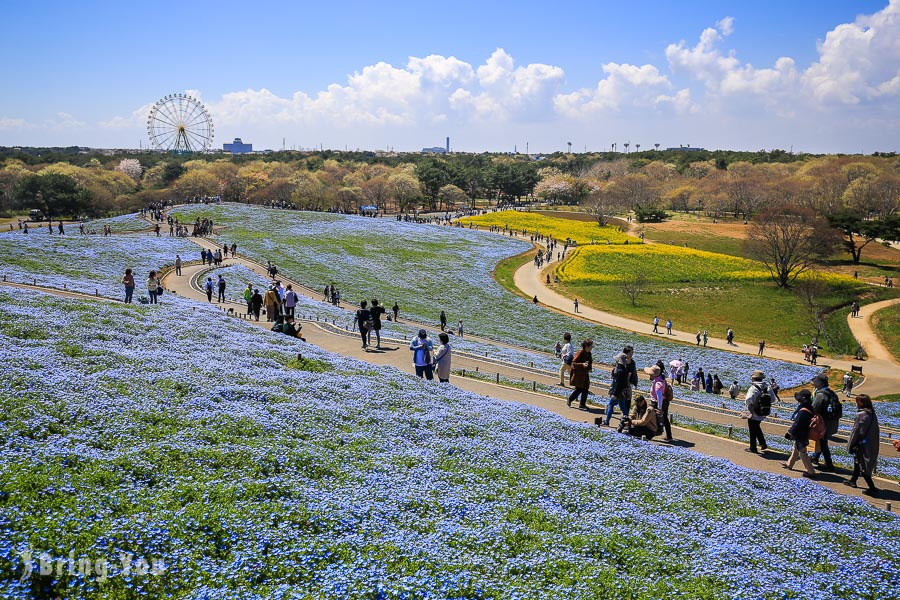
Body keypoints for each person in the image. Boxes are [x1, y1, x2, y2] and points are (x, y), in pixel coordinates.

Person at [845, 394, 880, 497]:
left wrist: (850, 445)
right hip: (871, 442)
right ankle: (853, 480)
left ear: (860, 403)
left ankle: (872, 488)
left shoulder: (861, 415)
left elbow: (856, 431)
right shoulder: (872, 413)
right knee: (857, 461)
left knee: (864, 466)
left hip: (862, 444)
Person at [781, 389, 817, 478]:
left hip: (801, 433)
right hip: (804, 431)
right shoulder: (810, 406)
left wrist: (790, 432)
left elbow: (797, 423)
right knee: (796, 448)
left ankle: (811, 471)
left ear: (804, 399)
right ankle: (789, 464)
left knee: (802, 452)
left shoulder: (803, 410)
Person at [810, 373, 839, 472]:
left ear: (820, 383)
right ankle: (815, 457)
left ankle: (829, 464)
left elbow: (814, 408)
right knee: (823, 441)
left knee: (823, 443)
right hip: (832, 422)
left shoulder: (821, 394)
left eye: (816, 382)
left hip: (822, 423)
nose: (814, 384)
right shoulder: (832, 393)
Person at [744, 370, 769, 454]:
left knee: (752, 429)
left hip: (754, 412)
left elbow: (748, 400)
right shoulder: (767, 387)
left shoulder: (753, 388)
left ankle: (753, 447)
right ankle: (762, 443)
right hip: (763, 411)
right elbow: (772, 399)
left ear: (754, 378)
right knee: (756, 427)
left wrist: (751, 405)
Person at [606, 352, 631, 426]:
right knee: (623, 407)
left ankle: (607, 421)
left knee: (611, 405)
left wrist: (615, 394)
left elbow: (618, 384)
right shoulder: (624, 369)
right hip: (622, 392)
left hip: (618, 392)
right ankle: (627, 422)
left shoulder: (620, 370)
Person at [566, 339, 593, 410]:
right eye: (591, 346)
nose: (592, 347)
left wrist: (589, 367)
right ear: (586, 346)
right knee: (579, 389)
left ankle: (582, 404)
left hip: (585, 373)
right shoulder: (580, 352)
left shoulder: (589, 353)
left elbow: (590, 362)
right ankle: (570, 399)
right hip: (579, 374)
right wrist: (582, 364)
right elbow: (573, 363)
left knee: (586, 388)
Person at [648, 365, 672, 441]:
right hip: (663, 402)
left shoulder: (658, 383)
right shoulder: (660, 379)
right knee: (664, 419)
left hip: (658, 403)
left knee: (654, 418)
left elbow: (659, 397)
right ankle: (669, 436)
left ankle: (652, 433)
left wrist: (659, 408)